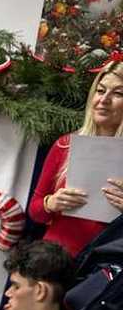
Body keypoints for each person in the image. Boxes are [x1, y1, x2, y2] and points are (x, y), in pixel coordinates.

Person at [29, 59, 123, 257]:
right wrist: (51, 203)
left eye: (118, 93)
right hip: (54, 260)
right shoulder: (65, 144)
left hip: (104, 268)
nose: (104, 100)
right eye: (100, 90)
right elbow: (35, 211)